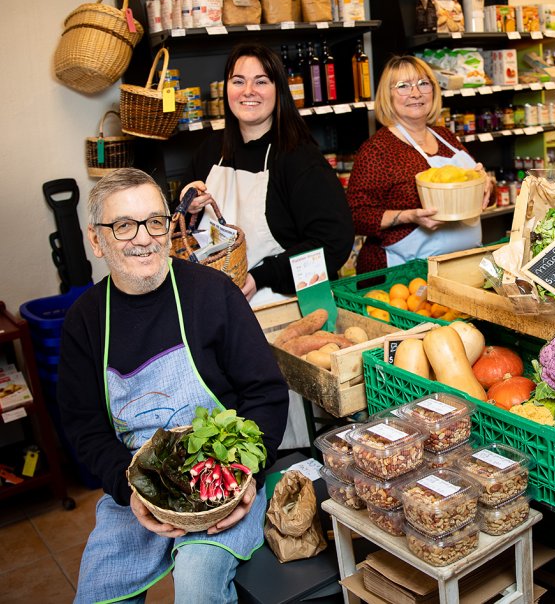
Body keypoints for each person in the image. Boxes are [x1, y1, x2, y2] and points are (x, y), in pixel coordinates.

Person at [57, 168, 289, 603]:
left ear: (168, 226)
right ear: (96, 239)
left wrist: (246, 474)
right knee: (96, 594)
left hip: (223, 475)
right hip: (134, 481)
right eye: (123, 225)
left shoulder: (213, 293)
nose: (143, 238)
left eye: (155, 221)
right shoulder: (86, 320)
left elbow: (266, 394)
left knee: (197, 586)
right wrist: (131, 490)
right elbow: (84, 425)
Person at [180, 43, 354, 307]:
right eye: (238, 81)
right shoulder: (211, 151)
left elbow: (333, 242)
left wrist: (262, 276)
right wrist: (187, 205)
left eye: (261, 81)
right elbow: (184, 230)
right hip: (218, 304)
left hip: (284, 306)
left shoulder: (298, 158)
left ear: (278, 90)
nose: (248, 91)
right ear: (226, 88)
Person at [347, 55, 492, 273]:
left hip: (461, 264)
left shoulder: (446, 137)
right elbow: (355, 215)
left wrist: (485, 185)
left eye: (423, 84)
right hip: (405, 274)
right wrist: (408, 216)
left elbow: (478, 196)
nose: (415, 93)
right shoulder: (378, 149)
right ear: (388, 95)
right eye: (403, 86)